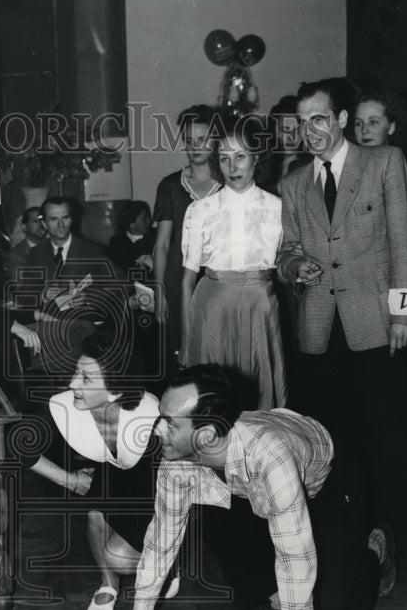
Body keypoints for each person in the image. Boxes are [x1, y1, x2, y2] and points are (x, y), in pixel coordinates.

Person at [95, 364, 389, 610]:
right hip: (241, 481)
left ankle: (375, 548)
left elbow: (296, 560)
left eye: (170, 423)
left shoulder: (272, 459)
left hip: (326, 482)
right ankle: (277, 605)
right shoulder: (178, 462)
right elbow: (161, 542)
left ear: (205, 435)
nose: (157, 429)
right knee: (239, 544)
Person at [277, 77, 407, 588]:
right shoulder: (293, 181)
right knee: (334, 449)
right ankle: (351, 550)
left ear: (342, 119)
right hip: (319, 335)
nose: (312, 132)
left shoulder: (385, 163)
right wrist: (295, 265)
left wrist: (405, 316)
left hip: (377, 327)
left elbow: (406, 242)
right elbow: (286, 250)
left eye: (320, 119)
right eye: (303, 124)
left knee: (394, 442)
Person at [21, 331, 171, 610]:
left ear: (115, 391)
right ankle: (108, 584)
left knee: (119, 557)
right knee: (94, 515)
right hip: (114, 480)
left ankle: (171, 563)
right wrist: (70, 479)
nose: (72, 383)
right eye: (77, 372)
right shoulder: (64, 406)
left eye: (86, 379)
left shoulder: (153, 420)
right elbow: (19, 446)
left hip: (155, 492)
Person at [180, 113, 287, 411]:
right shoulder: (200, 211)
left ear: (256, 159)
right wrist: (187, 339)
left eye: (240, 156)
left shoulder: (277, 208)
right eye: (224, 158)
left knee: (259, 392)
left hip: (259, 306)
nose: (232, 166)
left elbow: (288, 262)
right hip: (212, 306)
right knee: (213, 395)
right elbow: (188, 279)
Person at [13, 196, 128, 381]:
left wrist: (89, 297)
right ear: (44, 222)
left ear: (72, 219)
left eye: (65, 218)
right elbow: (23, 298)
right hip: (50, 331)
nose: (60, 225)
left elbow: (122, 284)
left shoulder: (92, 251)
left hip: (85, 328)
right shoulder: (37, 254)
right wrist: (42, 295)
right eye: (53, 219)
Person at [152, 105, 220, 366]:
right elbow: (161, 244)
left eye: (202, 140)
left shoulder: (229, 181)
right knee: (180, 347)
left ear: (214, 141)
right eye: (190, 141)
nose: (196, 147)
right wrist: (159, 291)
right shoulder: (170, 185)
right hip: (177, 275)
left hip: (217, 275)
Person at [108, 200, 155, 276]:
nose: (149, 221)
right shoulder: (117, 243)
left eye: (148, 217)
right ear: (131, 224)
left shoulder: (156, 236)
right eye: (144, 219)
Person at [4, 206, 46, 282]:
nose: (41, 225)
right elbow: (22, 288)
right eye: (36, 221)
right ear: (24, 227)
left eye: (43, 220)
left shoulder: (55, 247)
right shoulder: (16, 256)